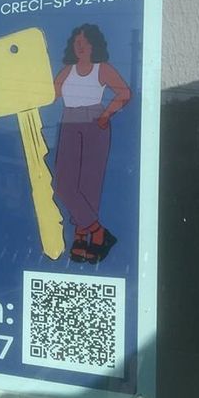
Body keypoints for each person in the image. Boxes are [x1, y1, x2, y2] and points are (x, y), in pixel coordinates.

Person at [53, 24, 131, 263]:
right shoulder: (67, 71)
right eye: (77, 42)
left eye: (85, 42)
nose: (80, 46)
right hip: (68, 123)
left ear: (94, 45)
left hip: (94, 124)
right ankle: (98, 232)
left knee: (89, 184)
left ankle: (81, 237)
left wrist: (106, 115)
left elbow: (124, 93)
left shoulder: (102, 69)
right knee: (63, 184)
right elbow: (50, 94)